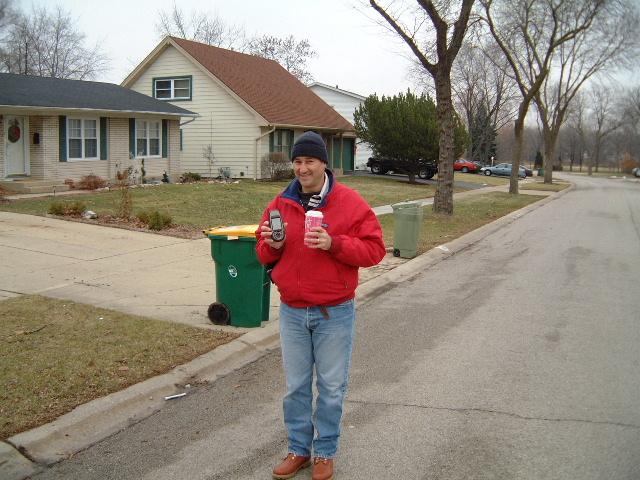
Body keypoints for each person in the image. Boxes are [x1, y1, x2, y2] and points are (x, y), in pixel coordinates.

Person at [256, 131, 386, 480]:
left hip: (334, 313)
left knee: (330, 388)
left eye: (309, 161)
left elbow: (375, 250)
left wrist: (334, 244)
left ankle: (324, 452)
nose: (302, 168)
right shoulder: (281, 203)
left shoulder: (350, 203)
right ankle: (299, 449)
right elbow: (263, 251)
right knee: (296, 387)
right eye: (297, 162)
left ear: (324, 163)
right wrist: (273, 244)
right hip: (293, 311)